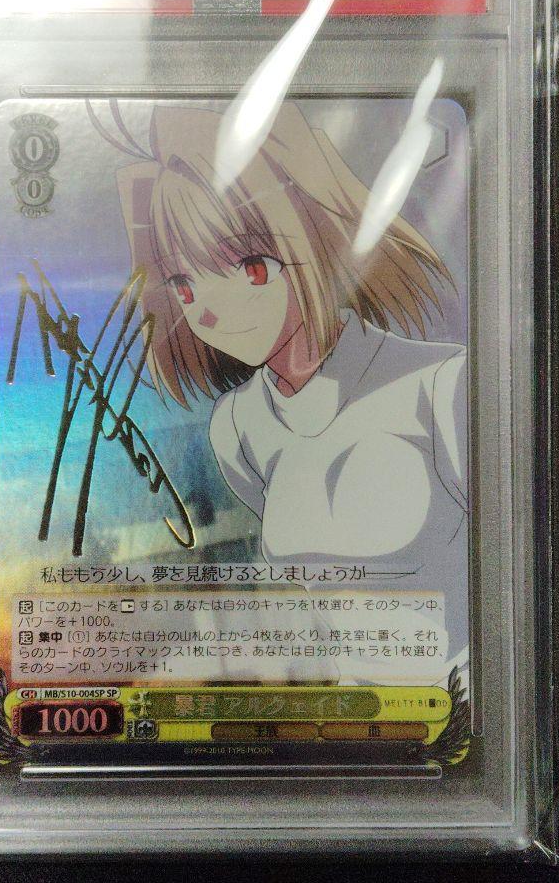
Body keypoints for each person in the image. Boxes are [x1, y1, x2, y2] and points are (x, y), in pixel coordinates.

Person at [109, 100, 469, 684]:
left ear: (309, 244)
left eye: (248, 266)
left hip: (459, 709)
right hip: (348, 717)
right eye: (183, 284)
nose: (207, 309)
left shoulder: (441, 387)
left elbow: (510, 578)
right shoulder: (238, 425)